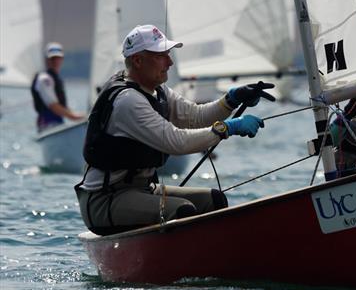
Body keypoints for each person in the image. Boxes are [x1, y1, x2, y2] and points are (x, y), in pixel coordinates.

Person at [75, 24, 275, 236]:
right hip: (105, 200)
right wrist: (228, 128)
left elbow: (196, 116)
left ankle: (216, 262)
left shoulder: (157, 91)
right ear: (138, 60)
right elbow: (177, 142)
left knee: (215, 200)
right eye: (161, 56)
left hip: (143, 190)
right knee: (183, 211)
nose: (170, 62)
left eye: (168, 54)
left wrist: (232, 99)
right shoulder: (128, 101)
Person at [30, 42, 84, 131]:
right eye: (52, 58)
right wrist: (74, 117)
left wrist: (84, 116)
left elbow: (62, 107)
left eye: (58, 58)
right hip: (47, 124)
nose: (55, 61)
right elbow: (52, 105)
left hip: (58, 122)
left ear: (62, 59)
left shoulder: (55, 79)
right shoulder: (44, 79)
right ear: (46, 59)